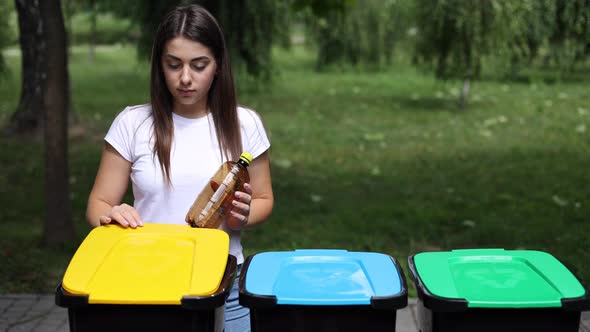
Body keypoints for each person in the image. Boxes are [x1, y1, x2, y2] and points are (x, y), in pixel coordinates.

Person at [85, 5, 273, 331]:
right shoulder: (132, 123)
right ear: (160, 66)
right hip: (148, 280)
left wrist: (243, 216)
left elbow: (264, 200)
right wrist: (111, 217)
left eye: (199, 65)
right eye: (174, 65)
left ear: (218, 66)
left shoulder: (245, 124)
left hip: (224, 281)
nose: (185, 78)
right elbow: (98, 206)